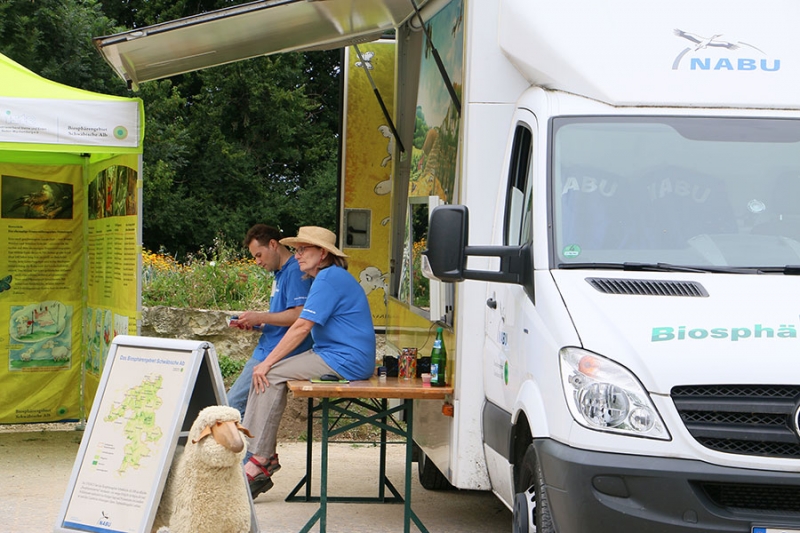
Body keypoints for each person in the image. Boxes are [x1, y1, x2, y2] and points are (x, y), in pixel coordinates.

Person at [242, 226, 376, 498]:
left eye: (305, 249)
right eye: (298, 248)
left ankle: (260, 458)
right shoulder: (327, 277)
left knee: (269, 373)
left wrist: (266, 362)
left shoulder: (328, 278)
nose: (298, 254)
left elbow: (302, 326)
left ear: (323, 253)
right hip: (335, 355)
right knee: (269, 371)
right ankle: (260, 455)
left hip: (345, 360)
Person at [226, 224, 313, 418]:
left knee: (231, 406)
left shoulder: (295, 272)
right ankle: (251, 448)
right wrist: (258, 325)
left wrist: (260, 316)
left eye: (258, 255)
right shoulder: (280, 273)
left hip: (275, 353)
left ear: (273, 244)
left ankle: (243, 448)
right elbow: (282, 317)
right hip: (268, 347)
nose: (257, 262)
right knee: (248, 410)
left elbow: (300, 315)